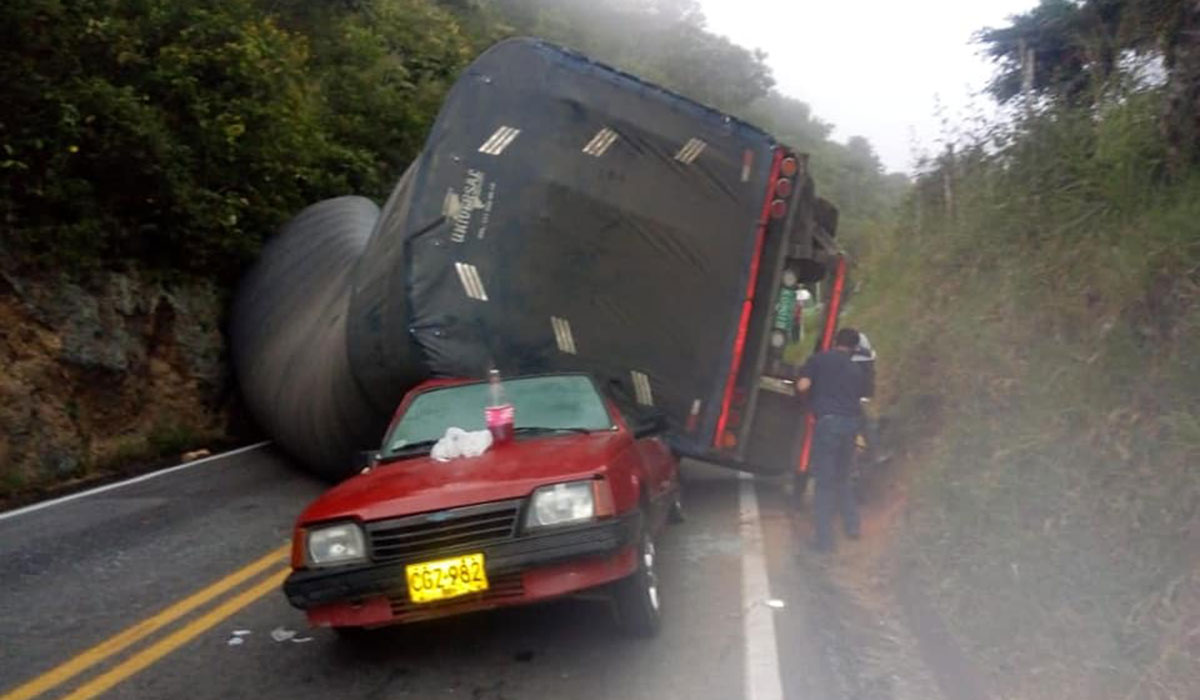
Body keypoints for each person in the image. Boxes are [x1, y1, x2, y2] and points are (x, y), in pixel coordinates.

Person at [797, 327, 867, 552]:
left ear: (835, 341)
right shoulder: (857, 370)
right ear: (855, 348)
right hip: (850, 426)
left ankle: (824, 541)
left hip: (828, 424)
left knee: (824, 483)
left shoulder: (819, 360)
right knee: (843, 477)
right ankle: (853, 526)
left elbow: (803, 385)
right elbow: (860, 398)